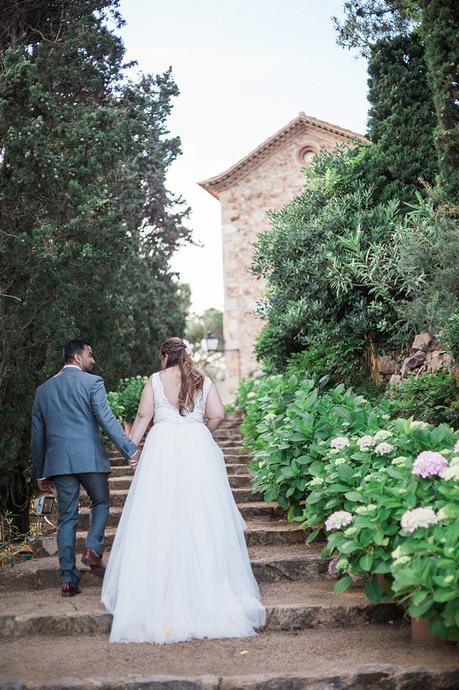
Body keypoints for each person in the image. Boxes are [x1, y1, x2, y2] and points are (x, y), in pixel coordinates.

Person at [101, 336, 266, 643]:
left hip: (161, 447)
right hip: (196, 447)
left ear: (165, 355)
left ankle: (158, 592)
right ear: (186, 355)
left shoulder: (154, 380)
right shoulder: (201, 379)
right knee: (202, 515)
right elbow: (218, 414)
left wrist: (131, 451)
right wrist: (200, 430)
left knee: (158, 515)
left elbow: (142, 417)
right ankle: (209, 589)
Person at [31, 339, 140, 597]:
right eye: (90, 355)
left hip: (59, 463)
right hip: (89, 458)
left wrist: (40, 472)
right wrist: (130, 450)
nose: (93, 360)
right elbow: (106, 418)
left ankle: (68, 580)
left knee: (67, 517)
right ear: (78, 358)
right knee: (100, 503)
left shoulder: (43, 390)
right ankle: (92, 549)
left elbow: (37, 435)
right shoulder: (93, 383)